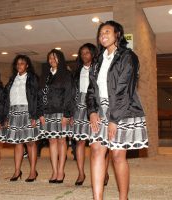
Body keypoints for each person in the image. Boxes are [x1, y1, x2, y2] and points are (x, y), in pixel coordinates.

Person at [86, 21, 148, 200]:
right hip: (101, 110)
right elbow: (92, 88)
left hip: (123, 110)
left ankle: (123, 197)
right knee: (97, 150)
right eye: (100, 33)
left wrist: (114, 119)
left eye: (107, 31)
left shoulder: (128, 56)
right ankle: (97, 197)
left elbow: (124, 89)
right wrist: (92, 111)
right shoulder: (97, 60)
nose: (102, 35)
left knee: (118, 155)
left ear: (117, 35)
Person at [72, 43, 110, 186]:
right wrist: (71, 113)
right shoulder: (77, 71)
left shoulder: (99, 68)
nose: (84, 56)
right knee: (80, 142)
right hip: (79, 107)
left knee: (100, 142)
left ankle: (104, 171)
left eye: (87, 52)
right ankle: (81, 173)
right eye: (82, 53)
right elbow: (72, 93)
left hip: (95, 106)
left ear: (93, 54)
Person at [38, 49, 74, 184]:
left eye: (54, 58)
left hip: (61, 112)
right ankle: (54, 170)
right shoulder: (45, 75)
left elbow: (69, 95)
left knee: (61, 141)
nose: (51, 60)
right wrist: (40, 113)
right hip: (47, 113)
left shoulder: (66, 74)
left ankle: (61, 170)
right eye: (49, 58)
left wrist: (66, 114)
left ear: (60, 58)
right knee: (51, 141)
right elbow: (40, 95)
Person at [4, 55, 41, 182]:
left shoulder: (32, 79)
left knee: (30, 143)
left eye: (22, 63)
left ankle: (32, 171)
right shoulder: (12, 80)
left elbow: (37, 97)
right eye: (17, 63)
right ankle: (17, 171)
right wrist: (7, 116)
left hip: (28, 112)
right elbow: (7, 99)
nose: (19, 65)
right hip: (14, 113)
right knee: (17, 143)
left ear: (27, 66)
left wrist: (34, 115)